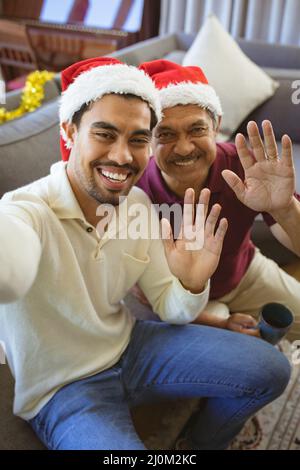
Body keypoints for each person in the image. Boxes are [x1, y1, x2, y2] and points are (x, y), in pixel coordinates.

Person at [0, 57, 290, 451]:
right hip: (64, 389)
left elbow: (172, 309)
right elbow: (10, 262)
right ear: (70, 130)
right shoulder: (24, 210)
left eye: (137, 139)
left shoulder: (136, 204)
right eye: (105, 134)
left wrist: (190, 280)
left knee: (272, 368)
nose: (122, 157)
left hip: (133, 347)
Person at [137, 59, 300, 342]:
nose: (185, 147)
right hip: (179, 298)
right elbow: (144, 293)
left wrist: (284, 208)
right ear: (147, 139)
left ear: (216, 126)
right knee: (239, 363)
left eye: (197, 130)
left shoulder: (243, 166)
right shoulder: (134, 192)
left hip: (245, 274)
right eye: (165, 134)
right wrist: (220, 323)